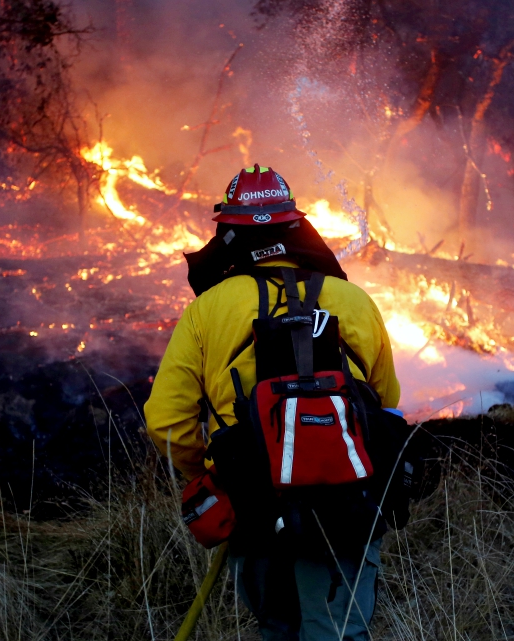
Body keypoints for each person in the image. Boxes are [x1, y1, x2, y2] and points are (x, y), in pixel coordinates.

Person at [145, 164, 402, 641]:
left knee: (277, 628)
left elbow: (166, 422)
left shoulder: (207, 310)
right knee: (338, 631)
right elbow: (386, 405)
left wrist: (209, 474)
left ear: (228, 233)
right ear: (297, 226)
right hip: (348, 500)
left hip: (253, 500)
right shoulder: (355, 301)